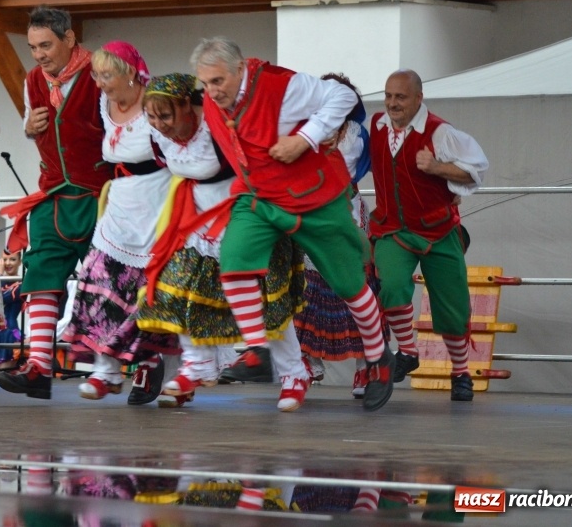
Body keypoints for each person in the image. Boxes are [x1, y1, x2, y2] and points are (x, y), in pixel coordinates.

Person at [190, 37, 392, 411]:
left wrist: (304, 138)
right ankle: (256, 349)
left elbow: (344, 98)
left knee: (349, 284)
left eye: (217, 81)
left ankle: (379, 358)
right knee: (234, 262)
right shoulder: (211, 101)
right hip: (259, 196)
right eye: (205, 84)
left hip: (311, 196)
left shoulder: (283, 86)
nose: (211, 91)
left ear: (240, 70)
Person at [135, 73, 310, 411]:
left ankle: (294, 374)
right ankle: (196, 366)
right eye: (152, 117)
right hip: (195, 221)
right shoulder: (159, 137)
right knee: (177, 289)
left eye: (166, 116)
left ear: (189, 106)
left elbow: (260, 163)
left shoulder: (218, 128)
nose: (159, 124)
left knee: (266, 300)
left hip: (243, 216)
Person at [0, 6, 111, 400]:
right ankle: (39, 367)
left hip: (100, 194)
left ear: (70, 38)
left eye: (46, 45)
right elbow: (33, 124)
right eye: (32, 47)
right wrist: (28, 128)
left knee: (112, 285)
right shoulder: (32, 80)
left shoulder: (101, 70)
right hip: (52, 193)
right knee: (40, 275)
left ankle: (139, 365)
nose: (39, 54)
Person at [59, 41, 178, 402]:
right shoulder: (103, 104)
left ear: (129, 73)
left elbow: (181, 151)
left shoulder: (154, 103)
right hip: (120, 204)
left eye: (106, 74)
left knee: (151, 291)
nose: (100, 82)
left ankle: (153, 364)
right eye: (96, 74)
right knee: (98, 279)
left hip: (158, 199)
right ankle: (105, 372)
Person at [368, 69, 488, 402]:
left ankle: (461, 372)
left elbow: (476, 170)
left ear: (419, 98)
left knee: (451, 306)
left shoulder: (440, 132)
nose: (393, 103)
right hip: (393, 227)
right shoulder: (376, 126)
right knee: (390, 285)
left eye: (401, 97)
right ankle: (407, 350)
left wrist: (437, 168)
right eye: (389, 96)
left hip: (437, 229)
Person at [292, 72, 380, 399]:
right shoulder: (303, 129)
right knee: (308, 289)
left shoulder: (357, 134)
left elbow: (365, 169)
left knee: (355, 286)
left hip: (346, 211)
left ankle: (365, 368)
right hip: (313, 212)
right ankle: (308, 362)